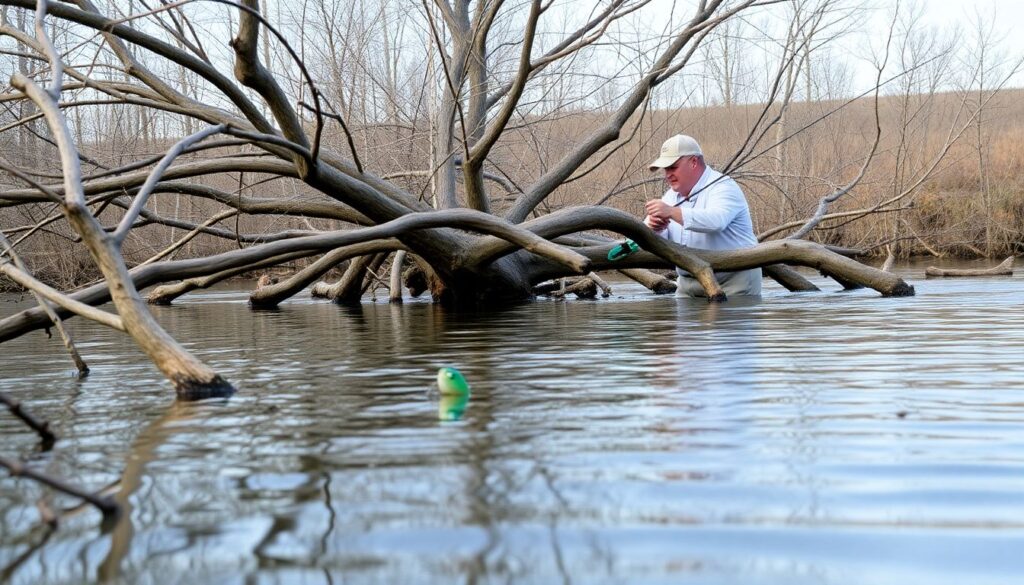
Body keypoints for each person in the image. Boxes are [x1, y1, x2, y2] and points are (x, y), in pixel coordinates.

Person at [644, 134, 762, 297]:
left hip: (734, 282)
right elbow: (651, 235)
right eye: (665, 169)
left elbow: (716, 221)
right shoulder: (670, 196)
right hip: (688, 283)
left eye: (673, 167)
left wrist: (671, 212)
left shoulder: (723, 186)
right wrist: (654, 227)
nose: (667, 174)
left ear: (693, 162)